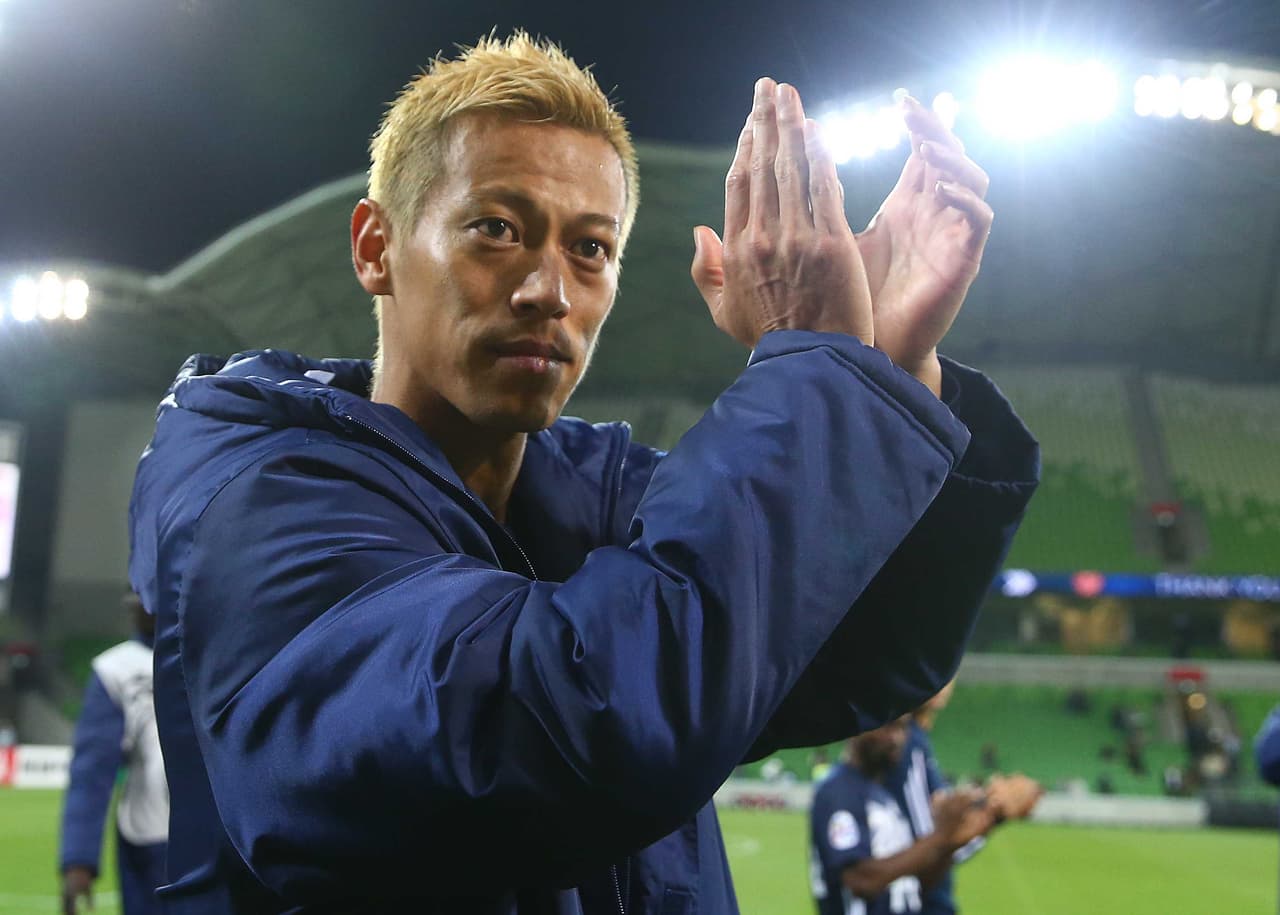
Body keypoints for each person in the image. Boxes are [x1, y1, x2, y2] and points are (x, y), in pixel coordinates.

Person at [127, 32, 1038, 913]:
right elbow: (539, 737)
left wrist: (886, 367)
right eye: (496, 229)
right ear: (375, 247)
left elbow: (854, 657)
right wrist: (821, 376)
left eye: (590, 248)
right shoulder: (257, 497)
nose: (549, 291)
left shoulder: (596, 488)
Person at [884, 682, 1041, 914]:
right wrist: (992, 813)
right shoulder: (908, 744)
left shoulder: (918, 741)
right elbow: (927, 845)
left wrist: (986, 804)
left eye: (949, 670)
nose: (941, 681)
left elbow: (940, 820)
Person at [809, 718, 992, 915]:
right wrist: (940, 836)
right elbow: (860, 879)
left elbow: (915, 881)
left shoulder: (883, 795)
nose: (896, 738)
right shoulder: (839, 792)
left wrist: (951, 840)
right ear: (857, 727)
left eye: (902, 728)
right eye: (887, 726)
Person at [58, 592, 167, 915]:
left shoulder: (219, 654)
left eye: (144, 591)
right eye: (132, 593)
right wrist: (78, 857)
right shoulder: (115, 669)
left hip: (227, 840)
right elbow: (92, 770)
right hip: (152, 838)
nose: (131, 602)